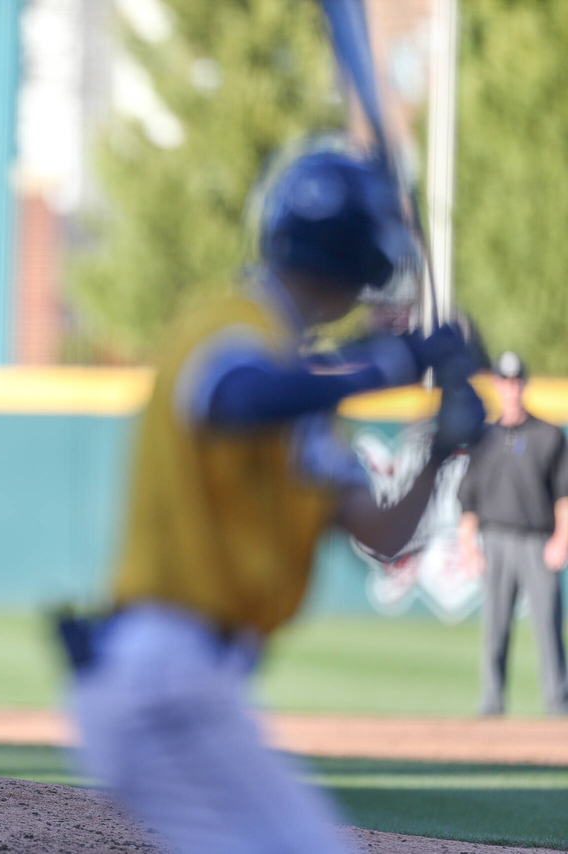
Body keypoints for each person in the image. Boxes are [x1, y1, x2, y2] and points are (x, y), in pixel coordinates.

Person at [68, 147, 485, 854]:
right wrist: (391, 363)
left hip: (190, 683)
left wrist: (443, 450)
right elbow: (237, 397)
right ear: (361, 259)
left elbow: (382, 534)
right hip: (164, 670)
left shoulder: (303, 383)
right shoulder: (230, 324)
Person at [458, 351, 568, 716]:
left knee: (547, 624)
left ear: (524, 384)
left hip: (538, 540)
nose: (511, 388)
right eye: (505, 382)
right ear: (496, 385)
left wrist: (561, 540)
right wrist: (468, 546)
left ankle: (558, 702)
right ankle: (491, 701)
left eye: (516, 381)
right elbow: (468, 499)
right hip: (495, 540)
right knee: (496, 626)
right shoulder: (483, 437)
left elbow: (563, 495)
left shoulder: (548, 434)